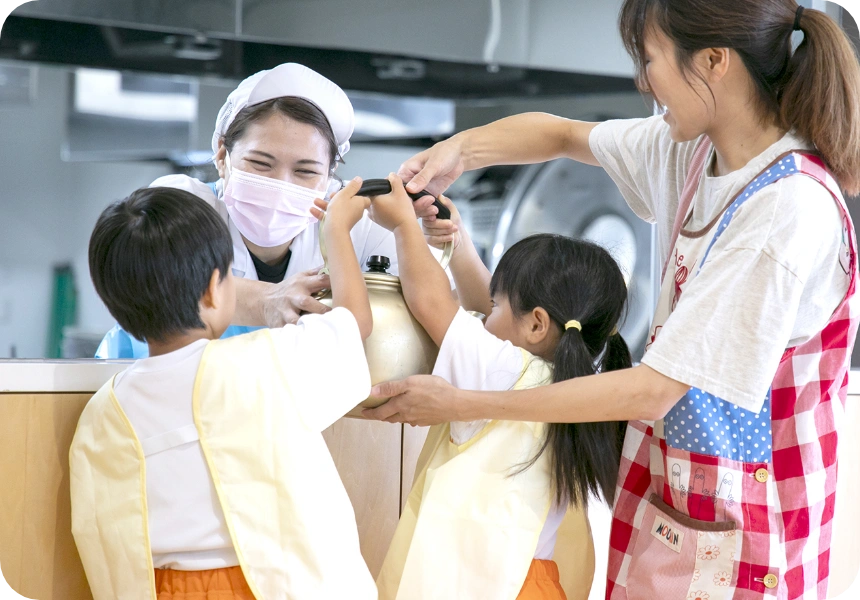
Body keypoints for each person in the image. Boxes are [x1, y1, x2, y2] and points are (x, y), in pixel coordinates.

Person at [365, 2, 860, 599]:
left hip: (751, 520)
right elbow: (561, 134)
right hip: (676, 499)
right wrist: (459, 152)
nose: (641, 80)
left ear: (713, 62)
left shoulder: (786, 208)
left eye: (649, 60)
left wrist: (463, 401)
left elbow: (654, 389)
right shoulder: (695, 152)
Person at [70, 179, 378, 599]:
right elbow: (353, 323)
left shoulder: (106, 408)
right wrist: (337, 231)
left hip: (163, 588)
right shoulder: (265, 361)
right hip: (272, 585)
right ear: (215, 291)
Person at [368, 176, 630, 599]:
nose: (484, 316)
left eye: (496, 306)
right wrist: (456, 243)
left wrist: (402, 225)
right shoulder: (583, 385)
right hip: (538, 584)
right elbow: (481, 307)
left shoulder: (504, 370)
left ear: (537, 323)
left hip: (475, 584)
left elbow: (433, 302)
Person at [96, 62, 396, 358]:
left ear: (329, 178)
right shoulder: (184, 206)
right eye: (261, 164)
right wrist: (268, 300)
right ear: (222, 153)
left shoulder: (359, 226)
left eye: (305, 171)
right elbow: (158, 282)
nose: (280, 185)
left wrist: (414, 230)